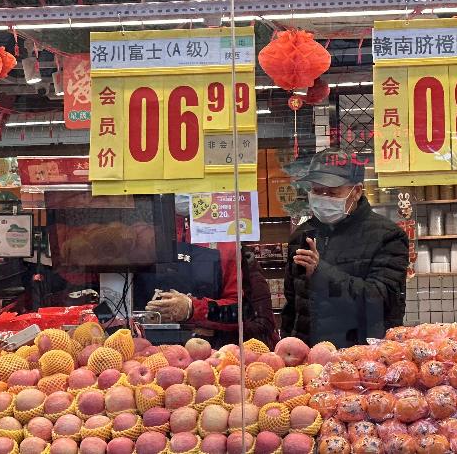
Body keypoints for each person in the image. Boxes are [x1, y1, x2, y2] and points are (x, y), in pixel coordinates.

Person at [281, 148, 409, 348]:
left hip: (362, 357)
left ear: (356, 191)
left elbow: (381, 302)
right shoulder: (302, 236)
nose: (323, 197)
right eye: (317, 191)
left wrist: (321, 272)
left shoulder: (387, 236)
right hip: (309, 357)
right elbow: (293, 305)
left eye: (332, 192)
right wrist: (288, 346)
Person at [135, 195, 279, 349]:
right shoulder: (142, 235)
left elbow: (241, 312)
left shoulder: (225, 237)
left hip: (214, 351)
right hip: (148, 349)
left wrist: (192, 308)